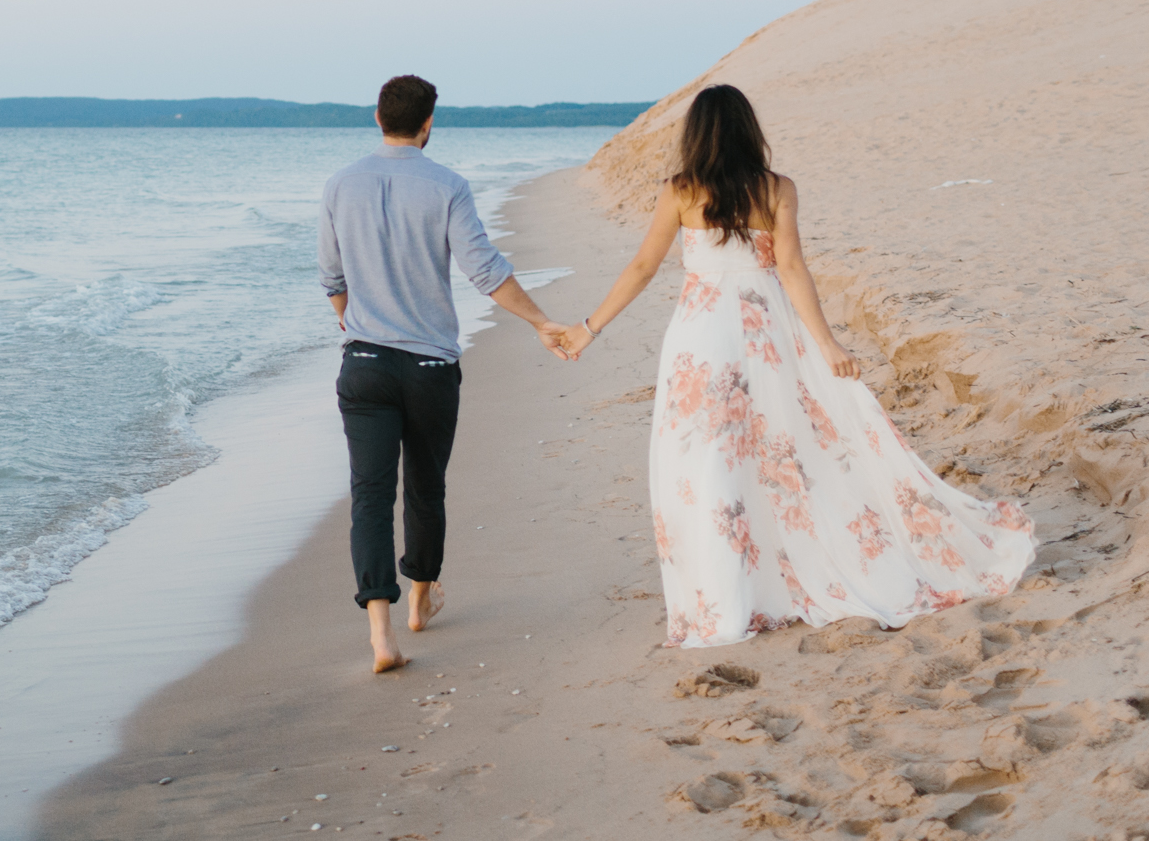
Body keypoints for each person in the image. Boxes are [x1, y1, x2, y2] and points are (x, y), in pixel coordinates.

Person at [555, 84, 1033, 646]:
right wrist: (826, 343)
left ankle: (728, 594)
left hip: (703, 338)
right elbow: (792, 268)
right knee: (783, 448)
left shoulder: (680, 190)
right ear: (747, 130)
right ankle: (776, 579)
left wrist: (587, 329)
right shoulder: (776, 188)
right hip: (766, 333)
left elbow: (642, 267)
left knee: (707, 458)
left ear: (697, 135)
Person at [319, 74, 575, 674]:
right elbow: (484, 270)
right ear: (428, 123)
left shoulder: (339, 184)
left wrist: (353, 322)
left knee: (370, 495)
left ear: (377, 118)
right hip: (430, 365)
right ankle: (421, 597)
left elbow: (332, 278)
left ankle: (381, 634)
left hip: (363, 363)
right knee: (425, 487)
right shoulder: (447, 186)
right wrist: (540, 321)